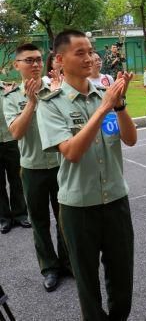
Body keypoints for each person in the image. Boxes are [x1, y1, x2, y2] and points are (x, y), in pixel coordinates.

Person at [37, 30, 137, 319]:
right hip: (78, 207)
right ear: (59, 60)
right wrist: (104, 107)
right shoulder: (50, 104)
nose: (89, 57)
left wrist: (117, 105)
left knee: (122, 276)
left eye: (91, 51)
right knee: (87, 281)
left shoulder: (103, 97)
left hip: (116, 199)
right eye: (79, 52)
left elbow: (129, 139)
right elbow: (71, 151)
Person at [3, 43, 70, 292]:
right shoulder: (11, 98)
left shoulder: (56, 89)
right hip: (32, 168)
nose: (35, 64)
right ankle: (49, 267)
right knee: (40, 222)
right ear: (16, 65)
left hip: (60, 164)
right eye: (29, 60)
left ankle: (67, 261)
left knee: (66, 218)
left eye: (39, 60)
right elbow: (16, 132)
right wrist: (31, 103)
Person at [0, 80, 29, 235]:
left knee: (17, 179)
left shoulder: (8, 88)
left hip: (11, 140)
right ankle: (4, 218)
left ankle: (20, 214)